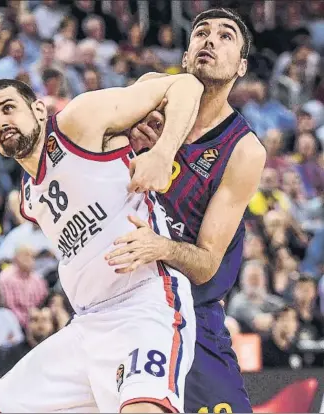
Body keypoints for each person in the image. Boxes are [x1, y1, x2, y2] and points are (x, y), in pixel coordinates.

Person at [0, 61, 204, 411]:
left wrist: (161, 152)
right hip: (86, 326)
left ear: (37, 109)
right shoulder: (29, 199)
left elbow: (186, 85)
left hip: (143, 307)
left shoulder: (76, 121)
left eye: (8, 109)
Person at [112, 8, 267, 413]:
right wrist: (120, 136)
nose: (210, 40)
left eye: (226, 36)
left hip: (191, 314)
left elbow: (205, 265)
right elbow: (89, 139)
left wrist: (158, 247)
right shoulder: (150, 91)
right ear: (185, 55)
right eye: (201, 32)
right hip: (119, 302)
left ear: (241, 66)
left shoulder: (244, 150)